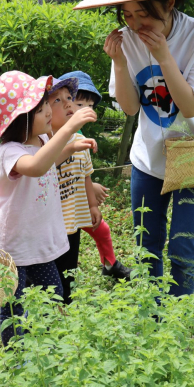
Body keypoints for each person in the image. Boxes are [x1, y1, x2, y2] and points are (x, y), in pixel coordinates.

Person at [85, 0, 194, 298]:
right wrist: (119, 62)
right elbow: (131, 108)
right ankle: (153, 320)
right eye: (127, 15)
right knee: (146, 247)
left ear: (171, 2)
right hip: (149, 159)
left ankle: (179, 324)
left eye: (143, 14)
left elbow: (191, 107)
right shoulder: (127, 41)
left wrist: (164, 55)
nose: (135, 24)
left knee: (182, 248)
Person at [0, 70, 96, 345]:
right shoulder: (10, 151)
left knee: (53, 293)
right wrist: (69, 130)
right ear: (20, 120)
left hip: (40, 242)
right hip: (13, 245)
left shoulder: (43, 141)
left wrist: (70, 149)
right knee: (14, 305)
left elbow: (48, 161)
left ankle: (46, 346)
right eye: (41, 107)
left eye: (46, 104)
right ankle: (16, 355)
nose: (48, 110)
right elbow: (34, 167)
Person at [51, 72, 131, 301]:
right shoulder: (46, 140)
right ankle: (54, 297)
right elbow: (42, 171)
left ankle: (109, 266)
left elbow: (84, 173)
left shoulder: (82, 140)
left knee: (76, 255)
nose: (83, 110)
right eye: (78, 104)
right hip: (55, 215)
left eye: (89, 105)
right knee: (55, 262)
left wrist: (92, 203)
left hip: (75, 211)